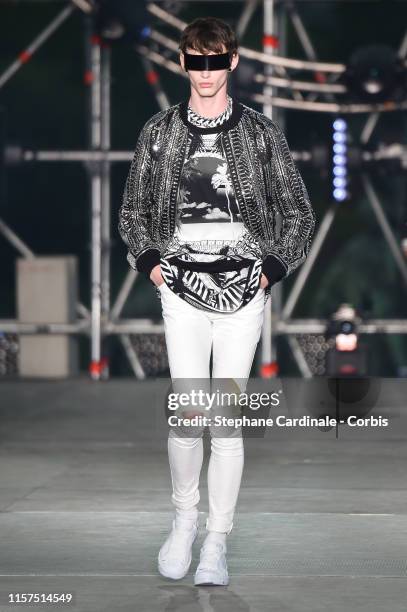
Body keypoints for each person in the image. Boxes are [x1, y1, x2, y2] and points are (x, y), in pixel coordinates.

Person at [118, 16, 316, 586]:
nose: (205, 72)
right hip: (180, 285)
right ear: (182, 63)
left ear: (232, 62)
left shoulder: (260, 133)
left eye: (216, 61)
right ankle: (183, 522)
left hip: (243, 288)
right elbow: (132, 211)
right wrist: (150, 265)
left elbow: (297, 212)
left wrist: (273, 268)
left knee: (225, 421)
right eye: (195, 61)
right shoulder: (158, 132)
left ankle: (216, 541)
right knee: (187, 412)